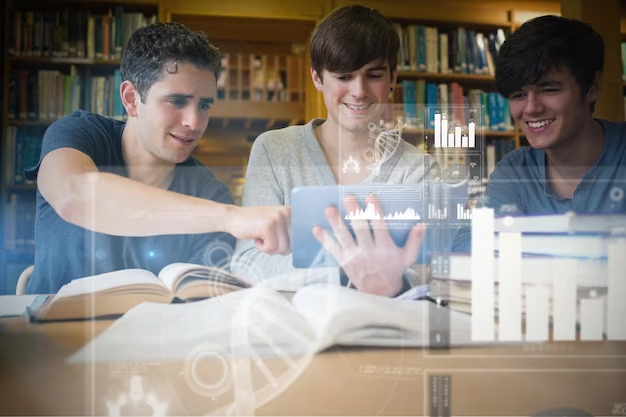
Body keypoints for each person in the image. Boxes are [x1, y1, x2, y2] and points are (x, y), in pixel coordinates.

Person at [24, 22, 290, 294]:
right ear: (131, 98)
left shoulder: (210, 192)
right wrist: (230, 217)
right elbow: (74, 196)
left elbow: (200, 302)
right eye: (176, 101)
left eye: (204, 105)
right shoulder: (78, 135)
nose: (194, 122)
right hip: (49, 332)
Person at [231, 5, 435, 297]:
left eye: (374, 75)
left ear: (393, 78)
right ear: (317, 78)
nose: (359, 91)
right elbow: (246, 262)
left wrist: (308, 268)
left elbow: (424, 272)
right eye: (343, 76)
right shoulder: (273, 151)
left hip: (384, 332)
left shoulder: (418, 169)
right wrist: (353, 272)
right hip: (294, 332)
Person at [452, 15, 626, 252]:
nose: (532, 108)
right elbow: (468, 248)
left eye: (548, 89)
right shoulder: (516, 170)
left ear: (592, 87)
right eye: (518, 95)